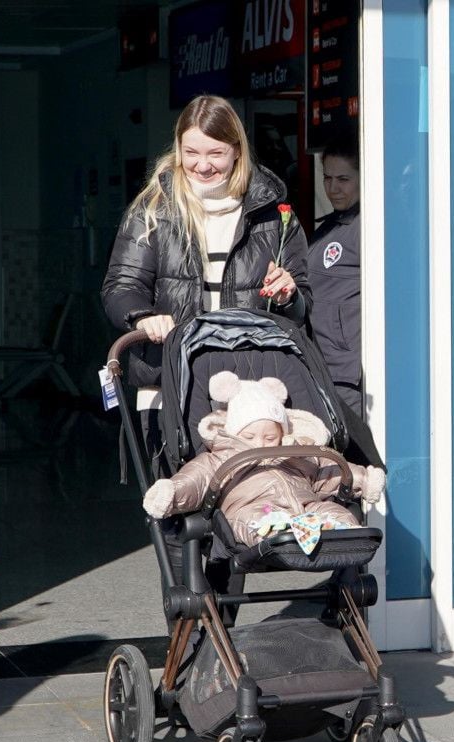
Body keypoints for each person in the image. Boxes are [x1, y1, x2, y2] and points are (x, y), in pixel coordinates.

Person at [102, 95, 311, 477]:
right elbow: (120, 286)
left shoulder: (273, 213)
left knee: (254, 505)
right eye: (190, 152)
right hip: (171, 384)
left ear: (236, 151)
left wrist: (288, 293)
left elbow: (302, 306)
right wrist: (143, 317)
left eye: (215, 153)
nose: (201, 165)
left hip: (252, 390)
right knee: (180, 510)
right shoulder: (154, 208)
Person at [141, 372, 384, 544]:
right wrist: (171, 492)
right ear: (236, 432)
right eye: (250, 436)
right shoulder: (223, 456)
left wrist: (363, 479)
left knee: (333, 510)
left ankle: (344, 534)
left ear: (282, 433)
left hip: (306, 510)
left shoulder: (295, 453)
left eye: (270, 438)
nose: (261, 444)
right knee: (249, 520)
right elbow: (197, 479)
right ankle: (274, 534)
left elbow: (327, 471)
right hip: (253, 509)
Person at [306, 130, 363, 415]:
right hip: (323, 365)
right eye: (327, 178)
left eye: (344, 179)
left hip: (348, 373)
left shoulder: (366, 227)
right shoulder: (328, 227)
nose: (333, 188)